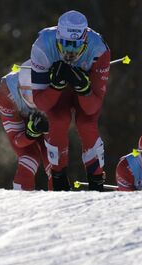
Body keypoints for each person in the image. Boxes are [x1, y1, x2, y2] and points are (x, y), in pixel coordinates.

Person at [30, 10, 111, 191]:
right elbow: (41, 103)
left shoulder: (100, 50)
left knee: (86, 123)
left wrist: (84, 88)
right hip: (58, 93)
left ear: (85, 41)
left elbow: (92, 108)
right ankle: (58, 178)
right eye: (65, 44)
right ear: (57, 39)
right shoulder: (42, 45)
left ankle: (96, 180)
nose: (69, 51)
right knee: (58, 120)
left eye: (75, 45)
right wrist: (55, 86)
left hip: (85, 92)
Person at [0, 60, 52, 190]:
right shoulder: (6, 91)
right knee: (29, 157)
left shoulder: (54, 90)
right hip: (19, 117)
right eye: (27, 93)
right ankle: (19, 201)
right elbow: (17, 140)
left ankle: (60, 202)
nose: (32, 100)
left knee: (54, 159)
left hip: (46, 112)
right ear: (19, 87)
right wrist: (30, 134)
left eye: (36, 93)